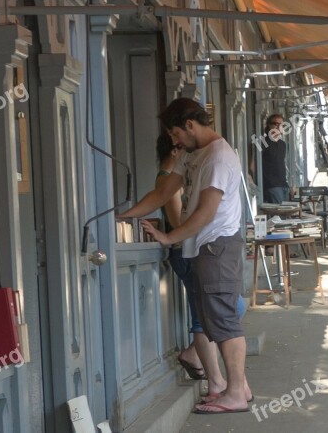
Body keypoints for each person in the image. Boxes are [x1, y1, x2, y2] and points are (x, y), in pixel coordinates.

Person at [121, 98, 252, 414]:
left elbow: (206, 212)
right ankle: (238, 389)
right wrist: (122, 216)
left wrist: (168, 236)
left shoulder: (219, 157)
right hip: (204, 248)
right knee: (212, 320)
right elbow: (162, 194)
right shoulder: (195, 154)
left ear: (190, 125)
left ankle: (235, 392)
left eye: (176, 134)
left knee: (223, 319)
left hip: (216, 245)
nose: (174, 142)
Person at [154, 133, 247, 399]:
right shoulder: (168, 179)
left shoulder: (207, 162)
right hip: (187, 248)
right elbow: (177, 218)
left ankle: (231, 383)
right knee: (208, 314)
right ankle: (218, 381)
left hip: (198, 245)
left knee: (217, 310)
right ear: (175, 150)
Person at [261, 114, 288, 203]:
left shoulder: (282, 144)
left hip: (284, 184)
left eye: (281, 124)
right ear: (269, 125)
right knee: (279, 215)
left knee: (286, 213)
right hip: (271, 185)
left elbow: (282, 163)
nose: (278, 127)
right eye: (275, 124)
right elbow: (253, 165)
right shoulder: (263, 142)